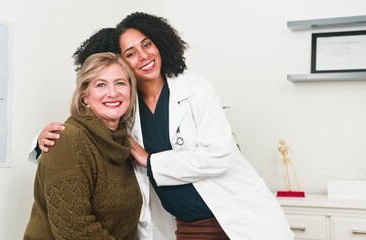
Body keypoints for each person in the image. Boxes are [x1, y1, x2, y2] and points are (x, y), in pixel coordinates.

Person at [29, 13, 294, 240]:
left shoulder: (195, 90)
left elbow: (219, 154)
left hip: (239, 217)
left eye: (147, 44)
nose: (143, 56)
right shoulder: (125, 109)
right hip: (186, 227)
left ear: (160, 43)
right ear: (121, 62)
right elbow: (89, 132)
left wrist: (150, 161)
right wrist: (41, 142)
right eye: (130, 53)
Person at [24, 52, 142, 240]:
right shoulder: (67, 139)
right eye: (101, 84)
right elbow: (74, 230)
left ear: (130, 91)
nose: (113, 93)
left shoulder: (122, 144)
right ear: (85, 96)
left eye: (120, 83)